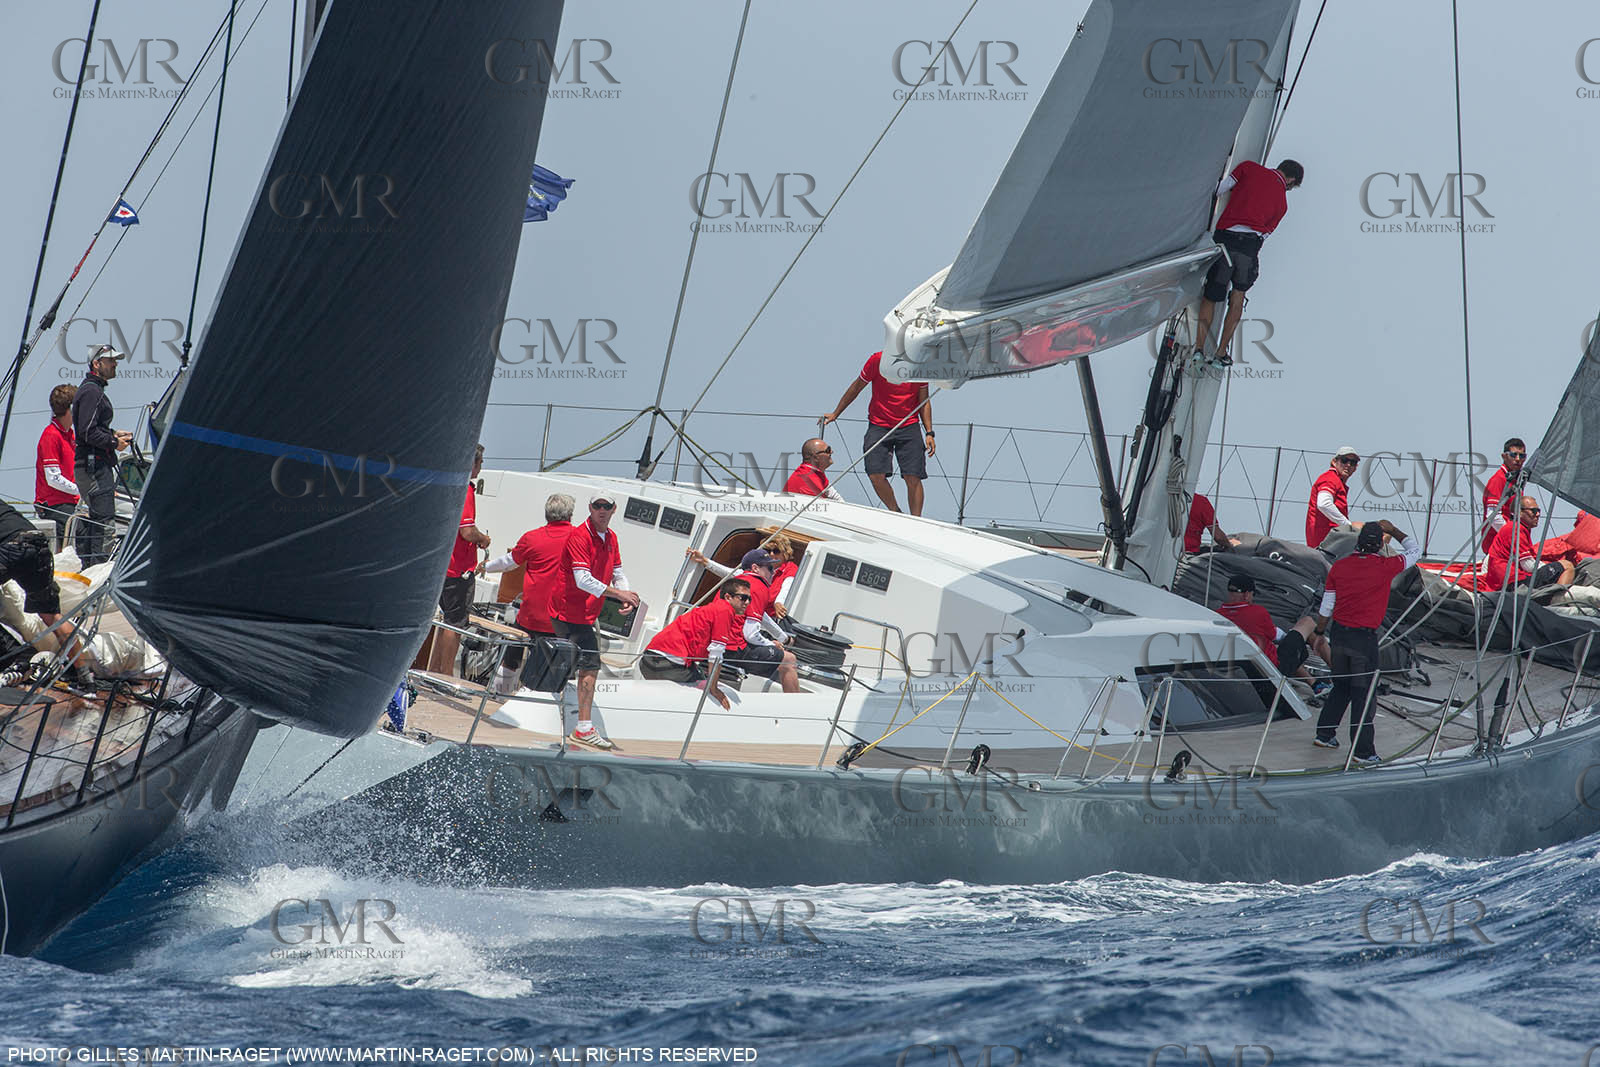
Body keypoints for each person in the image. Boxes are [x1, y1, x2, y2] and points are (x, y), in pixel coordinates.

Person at [1311, 519, 1422, 763]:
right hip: (1363, 640)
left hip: (1338, 635)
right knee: (1363, 694)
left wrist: (1319, 635)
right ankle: (1363, 752)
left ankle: (1325, 734)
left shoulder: (1339, 567)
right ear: (1380, 545)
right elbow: (1415, 551)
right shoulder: (1386, 565)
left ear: (1359, 542)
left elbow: (1327, 606)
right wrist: (1394, 530)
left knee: (1341, 687)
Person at [551, 492, 641, 748]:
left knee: (576, 664)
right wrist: (620, 593)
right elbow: (583, 580)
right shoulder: (579, 536)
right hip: (568, 612)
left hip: (586, 614)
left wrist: (625, 596)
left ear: (614, 510)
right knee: (589, 666)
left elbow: (618, 572)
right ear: (590, 508)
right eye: (597, 506)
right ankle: (583, 728)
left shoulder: (611, 538)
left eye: (607, 506)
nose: (602, 510)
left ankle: (574, 719)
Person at [1194, 159, 1303, 362]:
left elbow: (1219, 189)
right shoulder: (1282, 204)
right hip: (1248, 248)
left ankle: (1198, 350)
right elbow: (1265, 235)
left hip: (1225, 240)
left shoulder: (1249, 168)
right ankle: (1221, 353)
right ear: (1291, 180)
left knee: (1211, 296)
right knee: (1238, 297)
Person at [820, 352, 935, 516]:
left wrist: (929, 432)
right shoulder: (877, 360)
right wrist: (836, 413)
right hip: (879, 424)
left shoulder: (920, 364)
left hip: (909, 425)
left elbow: (924, 400)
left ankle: (916, 519)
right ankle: (896, 512)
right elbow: (857, 387)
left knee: (913, 476)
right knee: (875, 474)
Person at [484, 492, 575, 696]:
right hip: (559, 620)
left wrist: (485, 567)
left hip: (529, 616)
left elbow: (508, 563)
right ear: (570, 515)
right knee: (548, 669)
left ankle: (497, 698)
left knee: (510, 659)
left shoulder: (532, 537)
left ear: (546, 514)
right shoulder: (580, 539)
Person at [640, 578, 750, 710]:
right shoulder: (725, 611)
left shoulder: (711, 608)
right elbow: (716, 653)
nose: (747, 602)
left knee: (700, 674)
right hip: (668, 666)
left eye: (749, 599)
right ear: (728, 597)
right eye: (743, 598)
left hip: (647, 661)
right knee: (702, 682)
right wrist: (713, 689)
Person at [428, 445, 491, 676]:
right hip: (459, 569)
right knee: (455, 624)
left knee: (445, 621)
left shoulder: (450, 487)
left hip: (444, 566)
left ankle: (434, 671)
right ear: (472, 464)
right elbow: (467, 530)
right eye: (480, 462)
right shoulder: (466, 491)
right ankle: (445, 676)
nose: (481, 466)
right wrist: (483, 539)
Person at [70, 345, 133, 565]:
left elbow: (89, 428)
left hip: (92, 464)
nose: (115, 364)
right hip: (93, 466)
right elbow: (87, 431)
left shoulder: (92, 389)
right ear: (97, 364)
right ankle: (98, 572)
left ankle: (90, 569)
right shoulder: (92, 391)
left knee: (99, 520)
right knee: (105, 524)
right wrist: (114, 442)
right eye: (111, 360)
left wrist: (113, 433)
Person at [1215, 574, 1331, 694]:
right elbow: (1276, 636)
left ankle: (1316, 684)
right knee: (1308, 622)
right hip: (1271, 670)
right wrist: (1296, 636)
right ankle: (1340, 673)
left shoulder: (1217, 615)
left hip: (1246, 668)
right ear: (1247, 594)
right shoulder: (1257, 612)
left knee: (1283, 650)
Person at [719, 549, 800, 693]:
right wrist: (773, 645)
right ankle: (795, 709)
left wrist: (783, 638)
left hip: (718, 642)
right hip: (731, 648)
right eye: (769, 568)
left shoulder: (738, 583)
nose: (773, 572)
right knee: (789, 659)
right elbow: (750, 634)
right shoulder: (758, 586)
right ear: (755, 568)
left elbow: (760, 616)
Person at [1486, 496, 1577, 590]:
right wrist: (1551, 568)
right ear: (1519, 512)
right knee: (1566, 565)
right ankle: (1557, 600)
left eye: (1538, 511)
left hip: (1503, 582)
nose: (1537, 514)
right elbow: (1528, 565)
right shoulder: (1516, 529)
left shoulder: (1514, 527)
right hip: (1512, 583)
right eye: (1533, 511)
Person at [35, 385, 78, 550]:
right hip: (54, 504)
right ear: (71, 409)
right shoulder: (51, 435)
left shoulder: (71, 435)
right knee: (82, 534)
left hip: (70, 502)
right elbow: (53, 478)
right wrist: (81, 491)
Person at [1306, 446, 1360, 549]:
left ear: (1355, 468)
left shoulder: (1336, 480)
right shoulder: (1330, 479)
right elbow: (1324, 504)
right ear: (1334, 462)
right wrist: (1347, 526)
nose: (1348, 465)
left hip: (1330, 541)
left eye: (1352, 463)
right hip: (1327, 543)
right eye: (1344, 460)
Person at [1480, 438, 1526, 554]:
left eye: (1522, 456)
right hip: (1496, 546)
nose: (1518, 459)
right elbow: (1493, 516)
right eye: (1513, 455)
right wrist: (1512, 538)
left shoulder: (1516, 480)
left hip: (1508, 547)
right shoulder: (1498, 479)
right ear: (1504, 456)